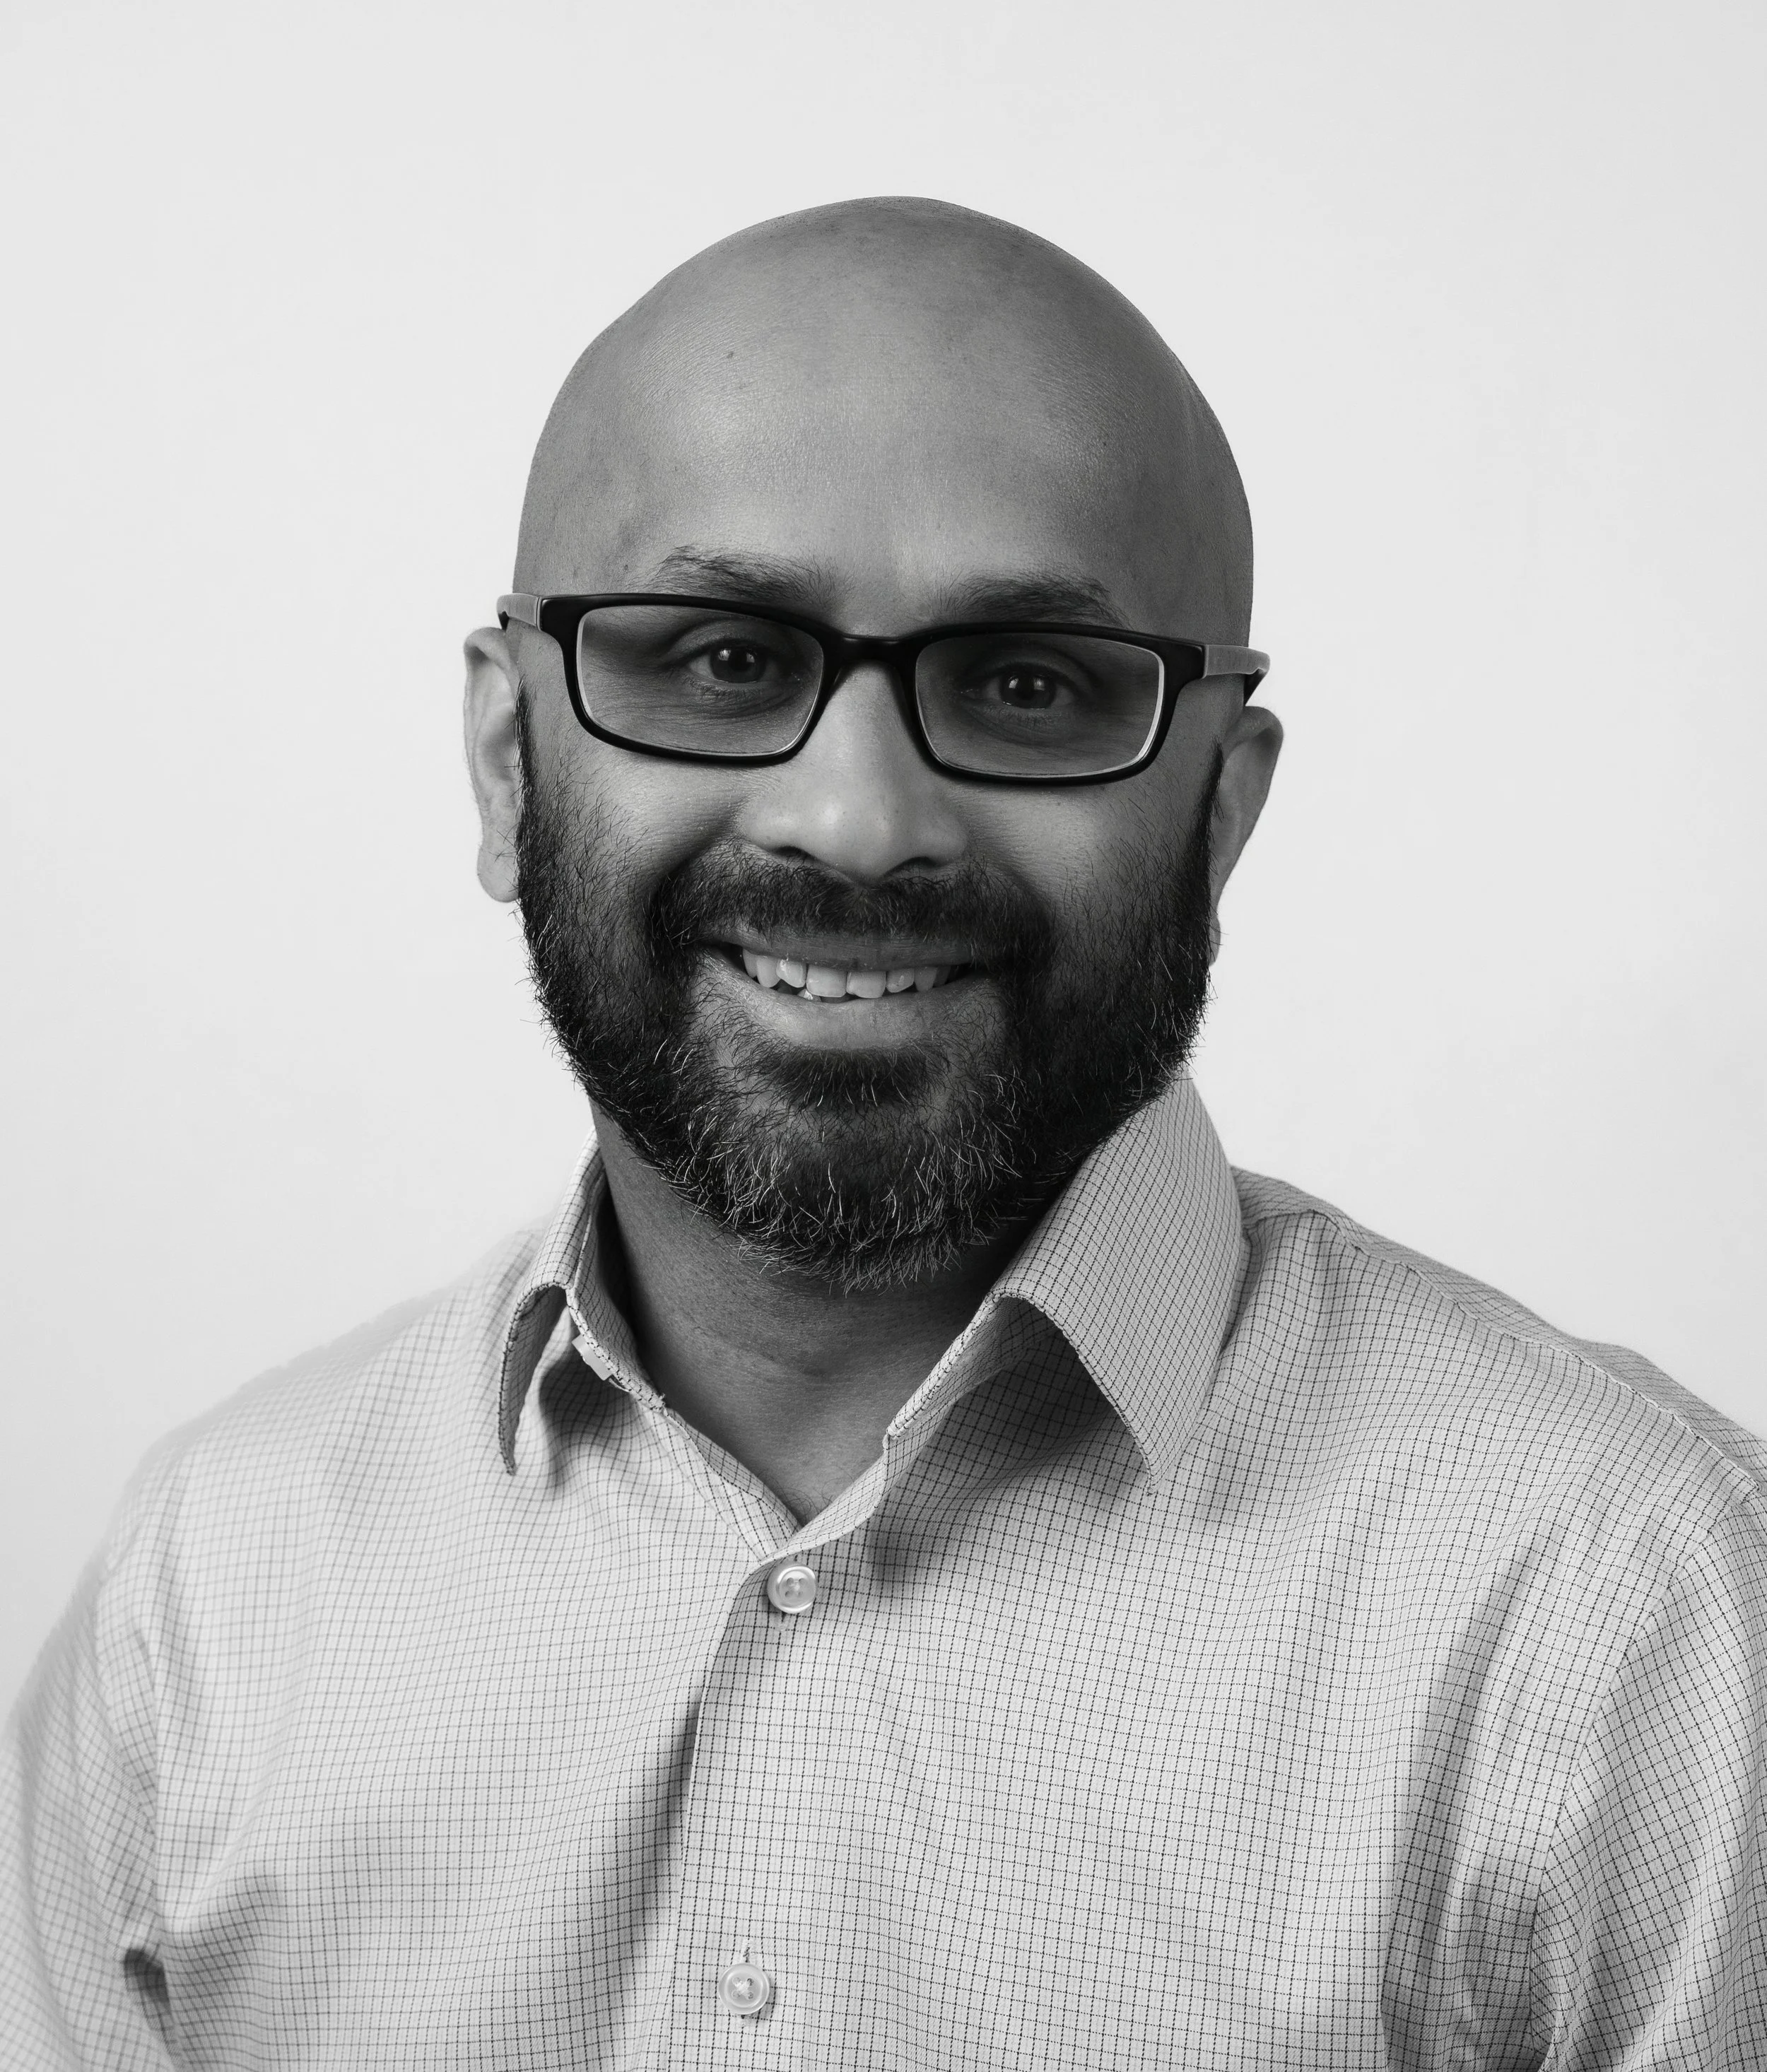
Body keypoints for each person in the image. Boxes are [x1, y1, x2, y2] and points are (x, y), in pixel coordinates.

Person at [4, 197, 1764, 2071]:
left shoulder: (1631, 1621)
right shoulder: (206, 1594)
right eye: (723, 661)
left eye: (1027, 685)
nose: (854, 821)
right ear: (512, 760)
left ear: (1220, 812)